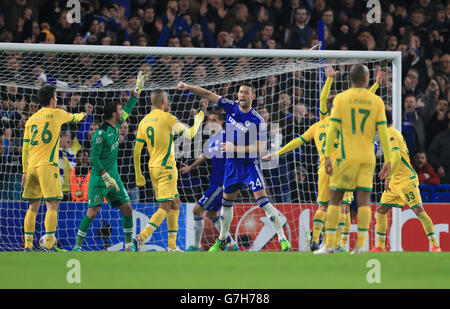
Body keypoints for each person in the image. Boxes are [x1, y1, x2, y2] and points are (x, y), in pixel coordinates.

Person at [263, 66, 384, 251]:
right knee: (344, 207)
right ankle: (341, 244)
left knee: (323, 206)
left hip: (323, 169)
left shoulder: (317, 125)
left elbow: (297, 141)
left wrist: (276, 153)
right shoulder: (344, 122)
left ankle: (316, 238)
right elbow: (361, 102)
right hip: (343, 167)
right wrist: (375, 84)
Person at [177, 80, 292, 252]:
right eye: (240, 92)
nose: (242, 95)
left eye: (246, 92)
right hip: (231, 167)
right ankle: (223, 239)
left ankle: (283, 239)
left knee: (264, 203)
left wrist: (235, 148)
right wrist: (188, 87)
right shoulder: (230, 107)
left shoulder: (257, 119)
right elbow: (209, 94)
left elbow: (260, 147)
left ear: (253, 96)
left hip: (249, 166)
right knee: (226, 204)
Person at [314, 64, 392, 255]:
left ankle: (330, 244)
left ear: (350, 79)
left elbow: (332, 129)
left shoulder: (341, 99)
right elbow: (383, 132)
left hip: (345, 157)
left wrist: (326, 157)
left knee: (335, 199)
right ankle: (360, 247)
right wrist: (388, 160)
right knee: (364, 201)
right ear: (366, 80)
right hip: (367, 158)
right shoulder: (376, 102)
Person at [73, 71, 148, 252]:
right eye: (120, 110)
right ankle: (77, 247)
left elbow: (129, 107)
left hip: (114, 176)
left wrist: (137, 90)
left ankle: (129, 245)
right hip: (100, 179)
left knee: (128, 209)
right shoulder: (101, 133)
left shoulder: (116, 125)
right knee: (93, 212)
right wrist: (105, 176)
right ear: (113, 114)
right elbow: (93, 158)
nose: (123, 112)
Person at [133, 89, 204, 252]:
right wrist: (198, 119)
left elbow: (137, 151)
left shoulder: (143, 121)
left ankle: (172, 246)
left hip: (153, 168)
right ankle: (141, 238)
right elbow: (190, 134)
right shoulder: (168, 118)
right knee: (164, 207)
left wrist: (139, 174)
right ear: (164, 101)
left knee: (175, 202)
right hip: (167, 168)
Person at [21, 85, 87, 251]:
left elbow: (25, 148)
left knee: (32, 207)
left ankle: (28, 245)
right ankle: (49, 243)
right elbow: (75, 117)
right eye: (56, 97)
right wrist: (84, 115)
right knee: (52, 205)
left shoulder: (31, 120)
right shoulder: (57, 114)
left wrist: (24, 171)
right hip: (48, 166)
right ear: (52, 99)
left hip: (32, 167)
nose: (57, 99)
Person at [370, 110, 442, 252]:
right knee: (381, 210)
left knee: (418, 210)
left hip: (406, 180)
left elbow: (396, 157)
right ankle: (380, 246)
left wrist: (389, 176)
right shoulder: (388, 134)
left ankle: (435, 245)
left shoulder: (391, 133)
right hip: (396, 180)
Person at [181, 110, 238, 251]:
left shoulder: (226, 137)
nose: (210, 123)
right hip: (215, 182)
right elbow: (204, 155)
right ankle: (232, 244)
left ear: (221, 122)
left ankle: (196, 246)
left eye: (214, 120)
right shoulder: (212, 139)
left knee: (197, 210)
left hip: (222, 183)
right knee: (211, 214)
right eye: (209, 120)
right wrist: (190, 167)